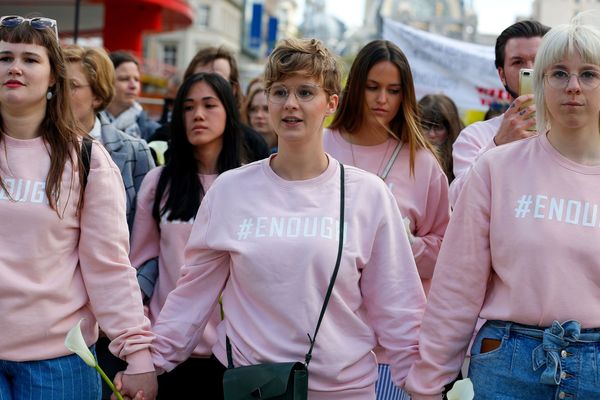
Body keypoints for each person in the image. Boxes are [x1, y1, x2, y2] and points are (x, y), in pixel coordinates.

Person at [117, 37, 426, 399]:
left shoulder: (368, 194)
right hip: (252, 386)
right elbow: (192, 296)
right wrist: (150, 363)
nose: (290, 104)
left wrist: (423, 385)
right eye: (280, 92)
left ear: (332, 103)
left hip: (342, 389)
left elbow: (398, 307)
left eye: (305, 93)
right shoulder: (230, 190)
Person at [405, 18, 600, 400]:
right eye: (558, 73)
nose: (573, 86)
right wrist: (428, 383)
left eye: (589, 73)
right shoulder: (496, 167)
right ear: (539, 82)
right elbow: (457, 286)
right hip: (506, 364)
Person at [0, 15, 156, 399]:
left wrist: (136, 354)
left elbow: (109, 267)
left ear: (54, 77)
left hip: (58, 366)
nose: (15, 67)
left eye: (30, 59)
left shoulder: (87, 159)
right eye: (4, 57)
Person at [323, 38, 449, 400]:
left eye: (393, 91)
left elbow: (445, 251)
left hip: (389, 352)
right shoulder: (321, 145)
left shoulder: (421, 162)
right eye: (372, 87)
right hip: (319, 339)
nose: (382, 100)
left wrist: (406, 246)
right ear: (355, 87)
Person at [129, 72, 243, 398]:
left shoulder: (250, 185)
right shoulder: (158, 181)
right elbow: (141, 262)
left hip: (230, 356)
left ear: (229, 112)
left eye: (209, 105)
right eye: (189, 107)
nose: (198, 115)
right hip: (167, 350)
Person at [450, 20, 550, 206]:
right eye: (518, 62)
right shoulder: (475, 137)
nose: (530, 69)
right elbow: (459, 201)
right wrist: (497, 145)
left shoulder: (576, 132)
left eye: (539, 59)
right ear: (502, 74)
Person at [64, 44, 155, 231]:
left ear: (97, 96)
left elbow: (146, 234)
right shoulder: (36, 144)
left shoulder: (135, 151)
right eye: (58, 85)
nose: (61, 93)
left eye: (72, 86)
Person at [184, 46, 270, 162]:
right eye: (198, 78)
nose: (205, 85)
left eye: (217, 79)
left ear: (233, 88)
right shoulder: (165, 140)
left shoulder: (253, 144)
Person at [102, 51, 160, 141]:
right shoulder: (87, 127)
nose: (133, 85)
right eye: (124, 79)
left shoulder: (154, 131)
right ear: (105, 82)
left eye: (136, 79)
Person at [418, 94, 464, 183]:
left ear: (450, 130)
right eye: (425, 126)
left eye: (438, 128)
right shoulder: (404, 153)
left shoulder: (462, 158)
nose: (432, 134)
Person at [243, 86, 277, 152]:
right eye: (253, 109)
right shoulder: (239, 149)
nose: (259, 115)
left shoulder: (289, 150)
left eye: (266, 109)